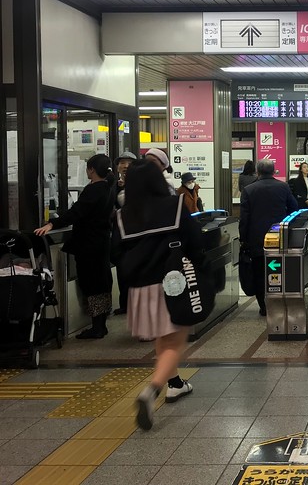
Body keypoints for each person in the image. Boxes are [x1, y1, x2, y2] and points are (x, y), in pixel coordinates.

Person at [111, 160, 202, 430]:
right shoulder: (173, 206)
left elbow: (115, 253)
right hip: (172, 282)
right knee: (176, 340)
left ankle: (175, 384)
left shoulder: (123, 215)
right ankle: (151, 390)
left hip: (140, 288)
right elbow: (194, 240)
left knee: (163, 339)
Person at [35, 154, 116, 339]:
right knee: (101, 283)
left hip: (89, 245)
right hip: (101, 243)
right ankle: (100, 325)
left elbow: (77, 212)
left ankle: (97, 327)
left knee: (91, 283)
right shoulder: (108, 188)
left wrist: (52, 224)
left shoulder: (94, 189)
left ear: (91, 170)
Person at [239, 160, 298, 316]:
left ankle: (263, 307)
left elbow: (244, 218)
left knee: (259, 273)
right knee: (278, 269)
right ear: (273, 171)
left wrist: (243, 239)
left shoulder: (248, 190)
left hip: (256, 239)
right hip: (279, 236)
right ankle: (278, 303)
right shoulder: (283, 187)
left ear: (258, 171)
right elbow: (294, 208)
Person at [112, 151, 138, 316]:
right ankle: (125, 304)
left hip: (135, 234)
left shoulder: (140, 184)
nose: (125, 165)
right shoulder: (114, 185)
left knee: (134, 270)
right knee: (122, 269)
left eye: (129, 162)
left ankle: (135, 304)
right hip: (119, 234)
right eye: (122, 162)